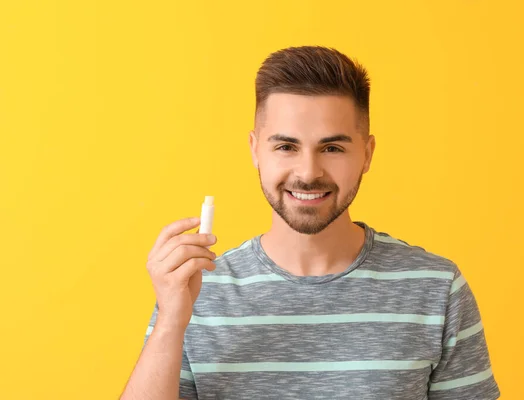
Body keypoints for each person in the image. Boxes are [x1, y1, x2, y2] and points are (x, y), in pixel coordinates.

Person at [121, 45, 501, 400]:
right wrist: (172, 320)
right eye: (286, 147)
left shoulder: (436, 289)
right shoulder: (196, 292)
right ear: (256, 150)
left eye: (332, 148)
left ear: (366, 154)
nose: (307, 172)